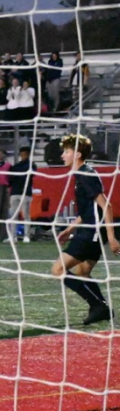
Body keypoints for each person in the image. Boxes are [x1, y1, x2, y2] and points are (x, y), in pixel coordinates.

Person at [52, 134, 120, 326]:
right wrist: (69, 229)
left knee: (58, 270)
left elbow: (106, 206)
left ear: (78, 154)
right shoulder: (81, 173)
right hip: (89, 231)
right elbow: (89, 209)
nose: (63, 155)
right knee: (83, 271)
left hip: (92, 233)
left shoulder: (85, 174)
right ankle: (102, 308)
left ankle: (98, 305)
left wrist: (112, 237)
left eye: (67, 151)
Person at [7, 145, 34, 244]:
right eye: (22, 155)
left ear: (28, 155)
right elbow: (11, 177)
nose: (23, 156)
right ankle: (13, 236)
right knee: (14, 215)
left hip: (25, 193)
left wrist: (17, 176)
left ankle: (26, 236)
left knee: (26, 215)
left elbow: (27, 176)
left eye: (25, 155)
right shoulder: (16, 166)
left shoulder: (31, 165)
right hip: (14, 192)